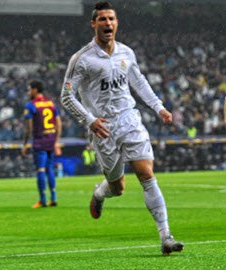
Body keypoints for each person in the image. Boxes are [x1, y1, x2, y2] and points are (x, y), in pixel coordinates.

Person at [60, 1, 183, 255]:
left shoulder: (126, 53)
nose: (108, 24)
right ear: (93, 24)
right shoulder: (81, 59)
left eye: (111, 19)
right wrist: (90, 121)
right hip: (102, 127)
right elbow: (66, 96)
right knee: (118, 187)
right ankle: (100, 193)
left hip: (129, 119)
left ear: (117, 23)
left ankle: (166, 236)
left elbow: (138, 81)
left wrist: (159, 107)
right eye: (102, 20)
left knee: (146, 173)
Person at [22, 80, 62, 208]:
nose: (28, 92)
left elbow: (28, 127)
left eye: (29, 90)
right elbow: (59, 123)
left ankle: (43, 199)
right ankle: (54, 197)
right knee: (49, 168)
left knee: (40, 169)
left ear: (35, 90)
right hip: (51, 139)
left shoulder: (31, 105)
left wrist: (24, 143)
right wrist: (56, 141)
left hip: (40, 140)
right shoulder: (51, 103)